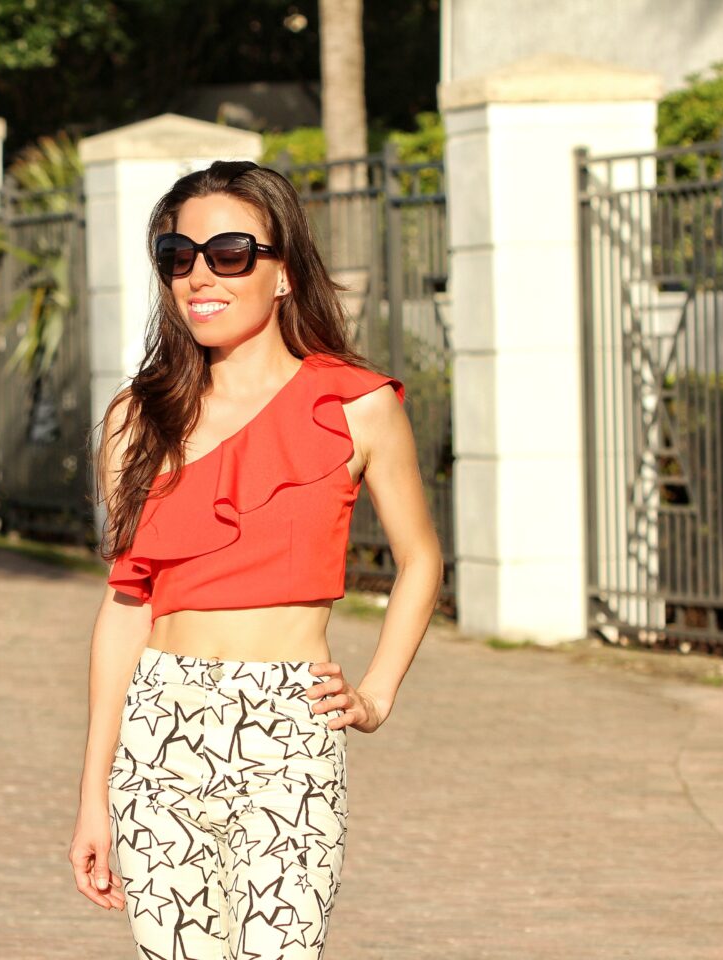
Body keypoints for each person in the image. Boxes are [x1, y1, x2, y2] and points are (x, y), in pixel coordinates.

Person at [69, 159, 443, 959]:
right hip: (160, 726)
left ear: (282, 273)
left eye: (230, 251)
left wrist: (376, 695)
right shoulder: (138, 419)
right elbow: (126, 603)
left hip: (290, 727)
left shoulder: (354, 404)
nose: (200, 273)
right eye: (178, 255)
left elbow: (421, 561)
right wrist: (93, 793)